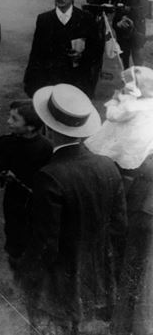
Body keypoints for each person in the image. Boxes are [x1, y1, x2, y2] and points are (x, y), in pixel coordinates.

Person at [19, 84, 127, 335]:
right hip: (99, 278)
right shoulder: (107, 166)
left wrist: (29, 275)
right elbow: (119, 230)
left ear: (48, 128)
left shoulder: (49, 176)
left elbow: (47, 243)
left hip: (63, 284)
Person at [85, 65, 153, 335]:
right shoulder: (144, 110)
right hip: (134, 195)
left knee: (134, 264)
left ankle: (128, 317)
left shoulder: (136, 111)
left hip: (138, 206)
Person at [0, 100, 53, 265]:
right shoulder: (5, 142)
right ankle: (15, 259)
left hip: (38, 201)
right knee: (14, 229)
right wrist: (3, 174)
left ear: (31, 127)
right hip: (14, 199)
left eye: (14, 119)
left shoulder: (47, 148)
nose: (8, 122)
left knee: (36, 231)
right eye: (9, 117)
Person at [24, 0, 102, 97]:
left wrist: (82, 55)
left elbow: (96, 49)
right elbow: (36, 52)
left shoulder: (86, 19)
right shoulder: (44, 19)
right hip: (50, 79)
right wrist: (30, 80)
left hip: (76, 79)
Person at [109, 0, 147, 68]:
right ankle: (125, 76)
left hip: (137, 25)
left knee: (137, 51)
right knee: (122, 52)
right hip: (120, 24)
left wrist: (128, 9)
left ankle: (139, 76)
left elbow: (144, 9)